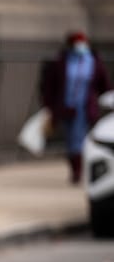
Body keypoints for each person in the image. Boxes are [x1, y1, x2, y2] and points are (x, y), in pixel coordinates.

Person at [40, 31, 112, 184]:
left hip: (85, 108)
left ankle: (79, 171)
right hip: (65, 107)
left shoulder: (93, 61)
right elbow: (50, 86)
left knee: (79, 139)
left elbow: (104, 84)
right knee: (70, 140)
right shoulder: (61, 62)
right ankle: (75, 168)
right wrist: (49, 106)